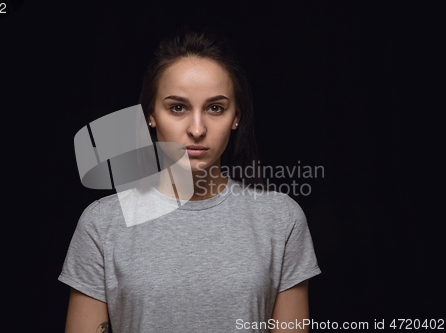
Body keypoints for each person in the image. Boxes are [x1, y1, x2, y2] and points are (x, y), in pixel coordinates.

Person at [58, 25, 321, 333]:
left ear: (237, 116)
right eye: (178, 108)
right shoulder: (102, 223)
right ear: (151, 115)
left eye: (215, 108)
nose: (197, 129)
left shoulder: (280, 219)